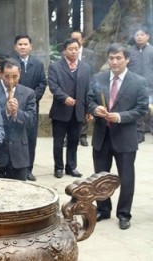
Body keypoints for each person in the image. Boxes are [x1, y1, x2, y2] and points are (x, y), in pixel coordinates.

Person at [87, 43, 149, 230]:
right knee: (100, 177)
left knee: (126, 177)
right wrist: (95, 108)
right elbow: (89, 99)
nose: (114, 62)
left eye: (119, 58)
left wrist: (121, 117)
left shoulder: (138, 82)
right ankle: (103, 209)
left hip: (125, 137)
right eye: (111, 58)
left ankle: (124, 214)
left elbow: (142, 109)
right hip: (102, 136)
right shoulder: (99, 78)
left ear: (127, 59)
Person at [0, 58, 36, 181]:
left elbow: (32, 121)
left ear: (20, 73)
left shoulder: (28, 93)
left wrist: (17, 113)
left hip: (19, 153)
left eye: (15, 77)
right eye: (7, 76)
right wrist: (5, 111)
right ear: (1, 74)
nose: (11, 80)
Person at [48, 38, 91, 179]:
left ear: (79, 49)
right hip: (61, 110)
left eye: (76, 48)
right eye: (70, 49)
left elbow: (88, 90)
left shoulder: (85, 67)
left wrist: (88, 110)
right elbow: (53, 86)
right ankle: (58, 167)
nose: (73, 51)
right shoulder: (55, 66)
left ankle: (71, 167)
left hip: (78, 111)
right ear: (64, 51)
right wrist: (64, 97)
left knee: (74, 141)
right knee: (58, 142)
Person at [12, 34, 47, 181]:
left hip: (31, 106)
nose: (23, 47)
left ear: (30, 46)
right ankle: (17, 167)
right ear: (15, 47)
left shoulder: (37, 64)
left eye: (25, 44)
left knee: (31, 138)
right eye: (20, 44)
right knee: (16, 137)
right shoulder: (11, 63)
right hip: (13, 104)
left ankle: (29, 169)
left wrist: (32, 98)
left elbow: (42, 83)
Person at [127, 26, 153, 143]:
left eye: (142, 35)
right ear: (134, 37)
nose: (140, 37)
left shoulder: (152, 50)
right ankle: (139, 134)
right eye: (137, 35)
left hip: (151, 85)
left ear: (148, 36)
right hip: (134, 85)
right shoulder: (129, 52)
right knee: (137, 110)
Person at [70, 30, 96, 147]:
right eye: (73, 38)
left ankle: (83, 135)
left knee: (85, 109)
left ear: (83, 40)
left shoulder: (89, 53)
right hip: (70, 86)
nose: (75, 41)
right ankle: (69, 135)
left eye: (77, 39)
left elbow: (93, 69)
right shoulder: (65, 53)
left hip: (85, 84)